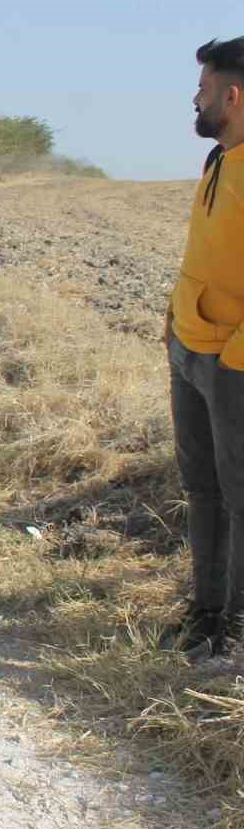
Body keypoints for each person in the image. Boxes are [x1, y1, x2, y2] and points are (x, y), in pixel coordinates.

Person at [162, 35, 244, 661]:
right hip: (190, 349)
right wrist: (174, 322)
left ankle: (234, 639)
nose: (196, 97)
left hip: (233, 362)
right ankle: (206, 615)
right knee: (204, 490)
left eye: (205, 88)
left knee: (239, 497)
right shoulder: (220, 157)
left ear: (233, 96)